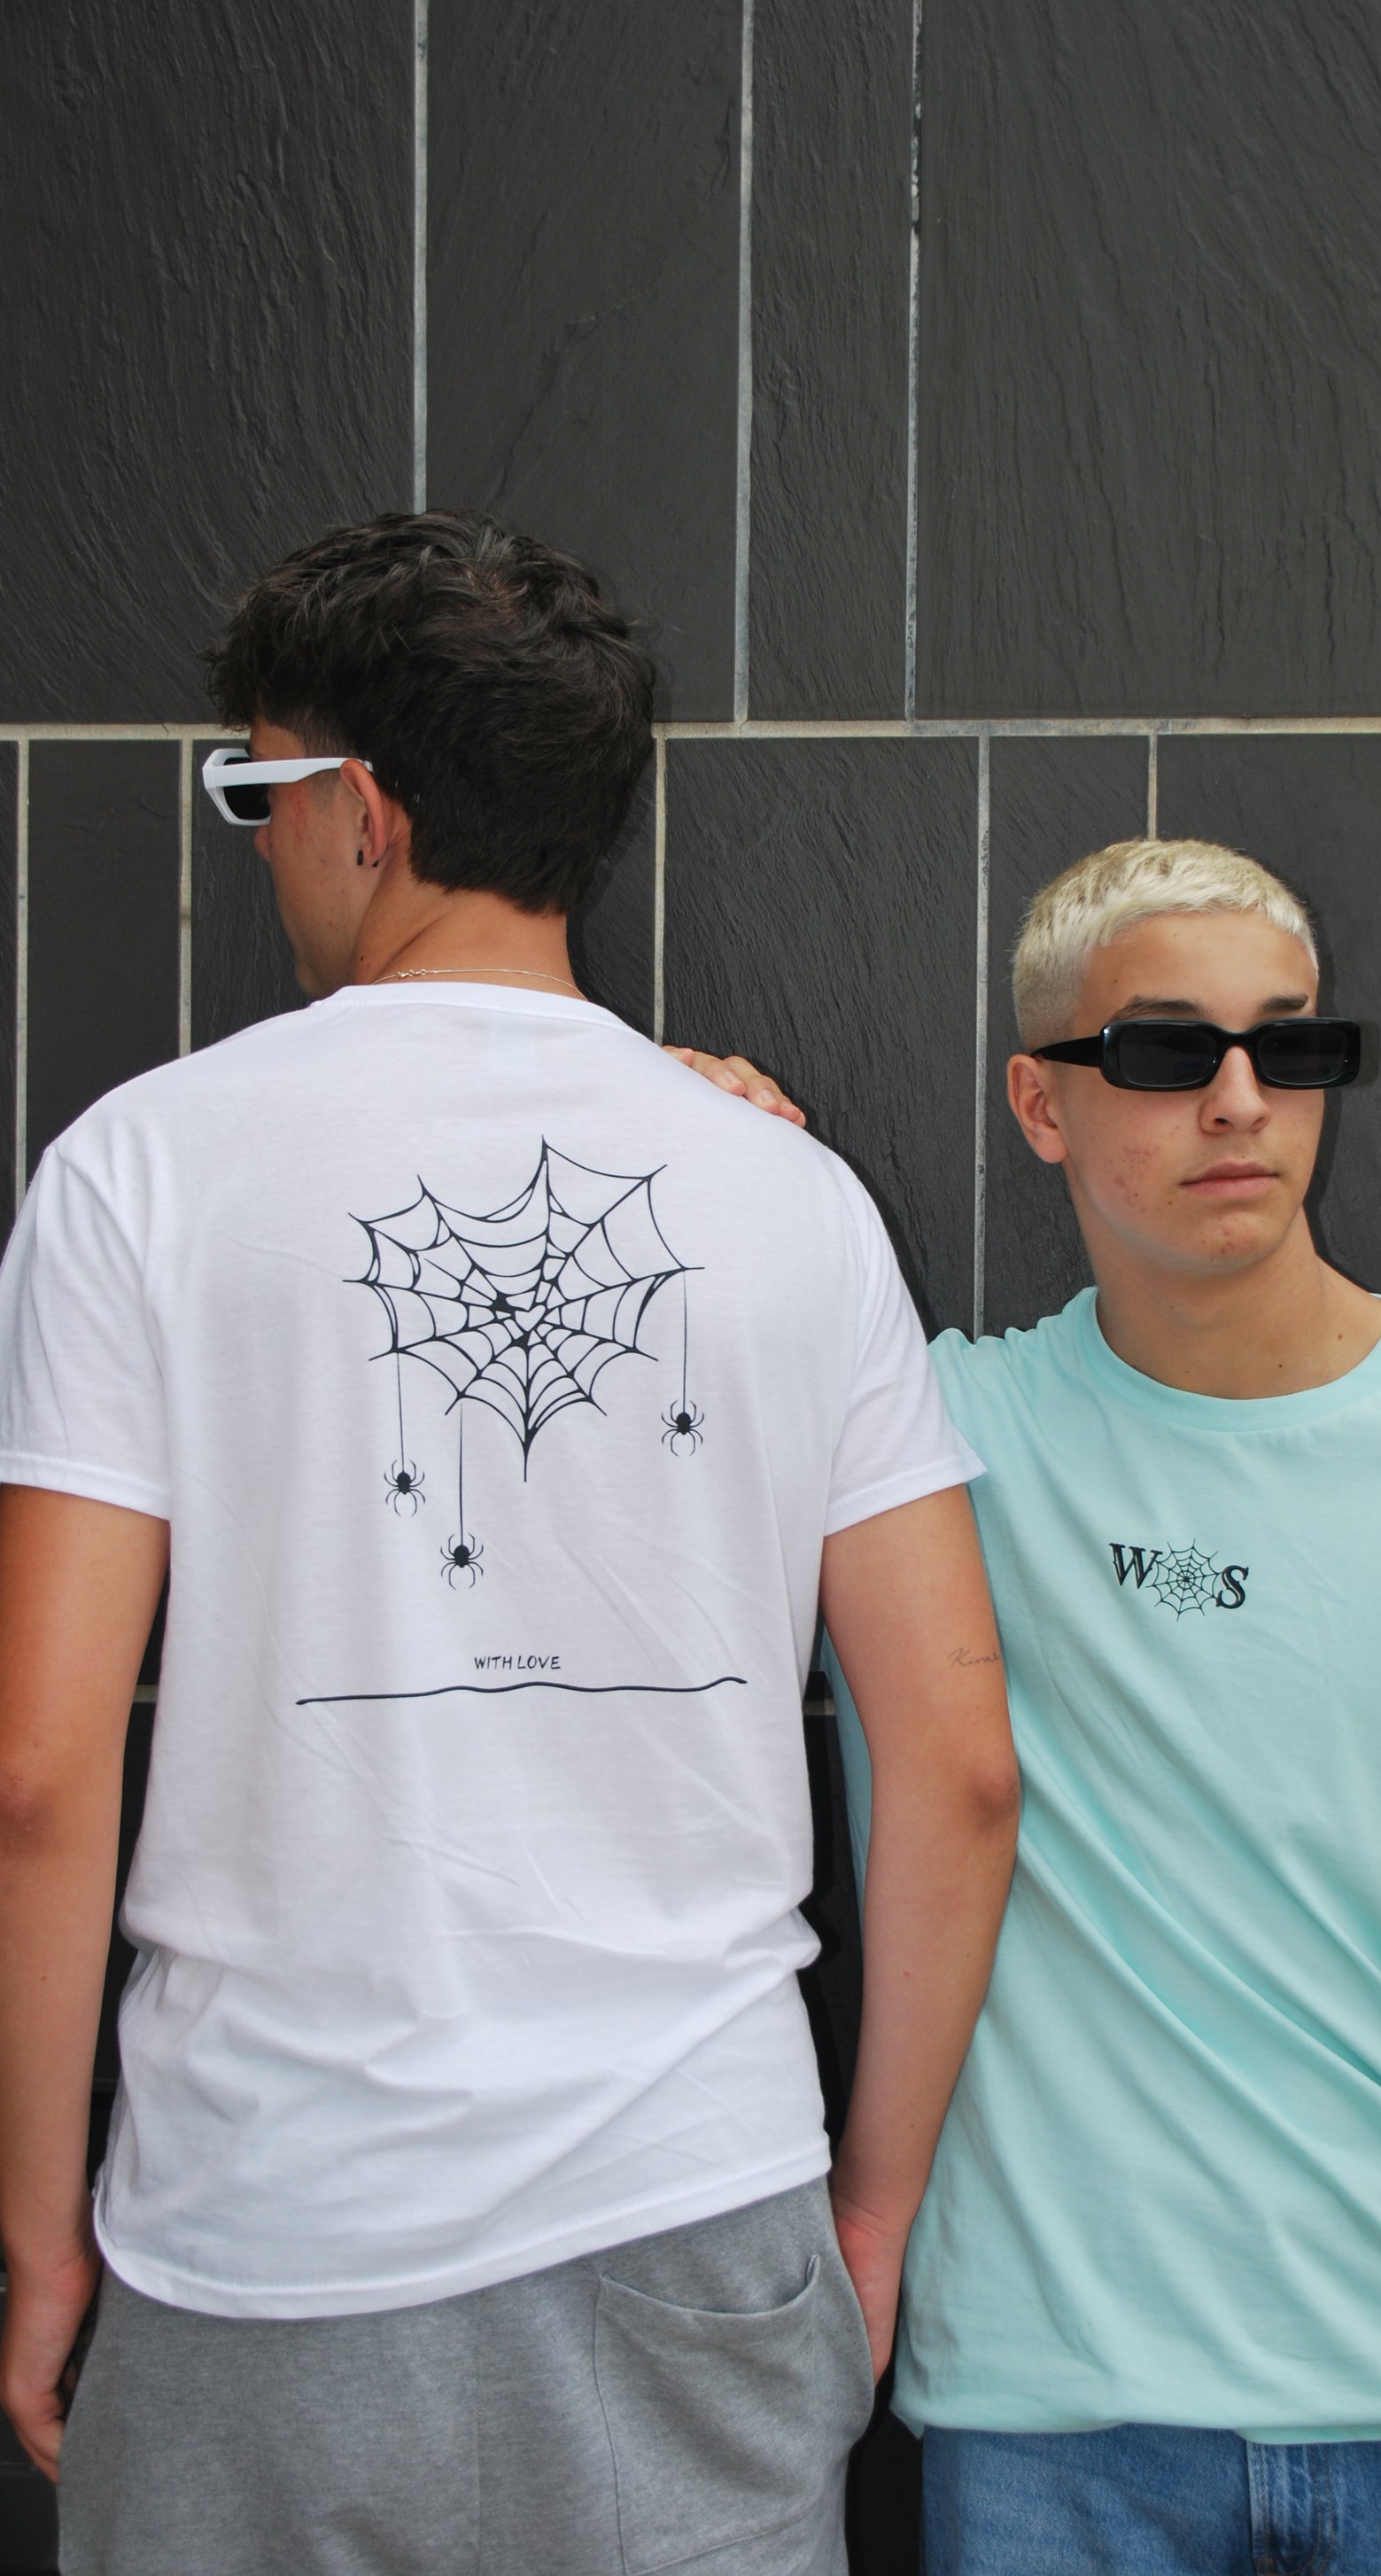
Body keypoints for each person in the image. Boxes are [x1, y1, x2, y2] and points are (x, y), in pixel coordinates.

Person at [0, 511, 1019, 2576]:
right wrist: (872, 2212)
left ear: (363, 810)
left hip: (263, 2229)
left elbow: (36, 1769)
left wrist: (38, 2236)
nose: (263, 845)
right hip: (695, 2199)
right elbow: (961, 1768)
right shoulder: (791, 1196)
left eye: (260, 793)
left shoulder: (137, 1176)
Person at [689, 838, 1381, 2576]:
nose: (1240, 1100)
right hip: (1049, 2438)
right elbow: (657, 1384)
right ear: (1040, 1101)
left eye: (1287, 1045)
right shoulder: (926, 1453)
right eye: (1167, 1051)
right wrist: (674, 1132)